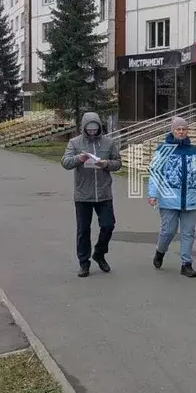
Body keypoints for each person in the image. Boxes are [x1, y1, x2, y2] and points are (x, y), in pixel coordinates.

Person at [62, 111, 122, 277]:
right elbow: (65, 162)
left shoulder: (109, 143)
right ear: (84, 128)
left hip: (104, 193)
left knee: (108, 225)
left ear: (99, 127)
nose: (92, 131)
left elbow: (118, 163)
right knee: (83, 230)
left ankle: (99, 253)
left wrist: (106, 163)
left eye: (95, 129)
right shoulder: (74, 143)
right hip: (83, 194)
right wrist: (79, 159)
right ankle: (84, 262)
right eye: (89, 129)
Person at [148, 117, 196, 278]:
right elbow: (155, 172)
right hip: (169, 199)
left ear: (187, 131)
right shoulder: (163, 150)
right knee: (168, 231)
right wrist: (152, 194)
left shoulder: (194, 152)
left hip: (190, 199)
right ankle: (160, 252)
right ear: (172, 131)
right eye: (178, 129)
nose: (181, 132)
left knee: (188, 232)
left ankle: (186, 264)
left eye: (184, 129)